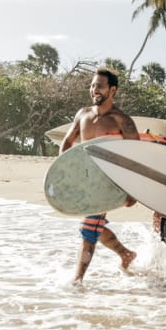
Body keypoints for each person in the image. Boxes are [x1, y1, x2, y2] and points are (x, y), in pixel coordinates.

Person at [59, 68, 140, 283]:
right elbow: (67, 143)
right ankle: (125, 254)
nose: (94, 90)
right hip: (86, 179)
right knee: (93, 225)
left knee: (89, 228)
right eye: (92, 85)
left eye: (99, 86)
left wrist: (132, 189)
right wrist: (65, 172)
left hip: (108, 180)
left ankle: (77, 281)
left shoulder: (122, 120)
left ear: (112, 90)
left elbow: (136, 156)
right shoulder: (83, 114)